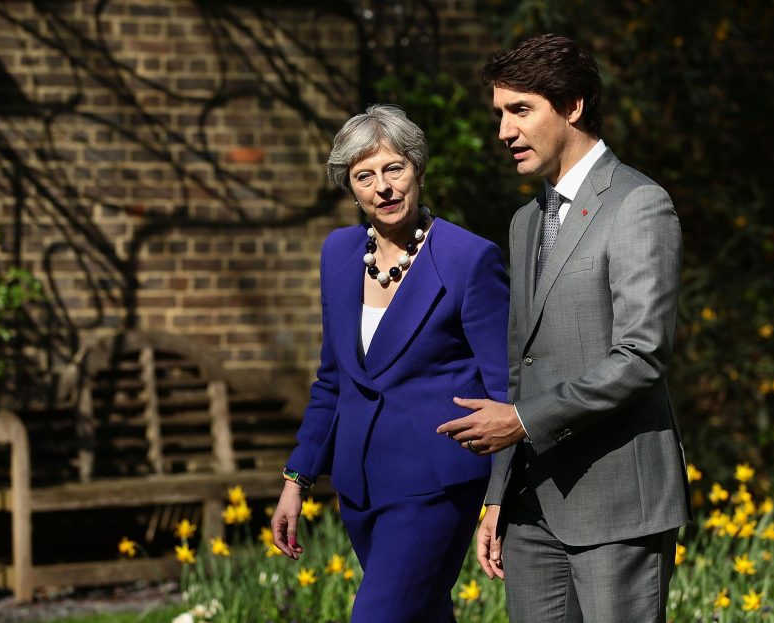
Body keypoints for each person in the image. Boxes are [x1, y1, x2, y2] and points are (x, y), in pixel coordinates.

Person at [437, 34, 691, 622]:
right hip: (530, 510)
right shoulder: (526, 222)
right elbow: (518, 367)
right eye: (499, 113)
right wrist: (499, 494)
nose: (503, 131)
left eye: (520, 110)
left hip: (617, 506)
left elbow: (641, 356)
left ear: (573, 106)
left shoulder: (639, 204)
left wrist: (523, 422)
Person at [271, 104, 510, 622]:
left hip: (436, 485)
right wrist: (297, 480)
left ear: (418, 170)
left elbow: (506, 389)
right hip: (358, 485)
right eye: (365, 175)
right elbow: (332, 380)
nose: (383, 187)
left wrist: (500, 497)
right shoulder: (337, 255)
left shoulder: (469, 259)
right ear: (351, 188)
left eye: (394, 168)